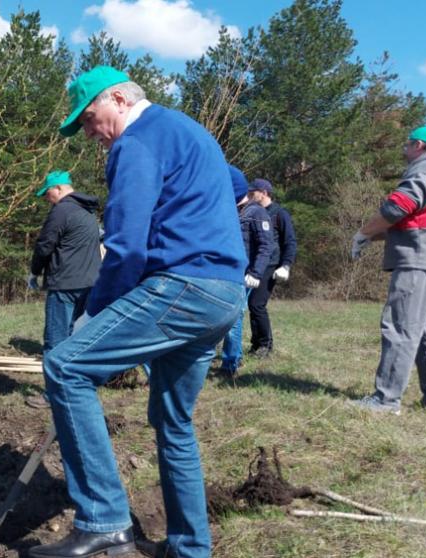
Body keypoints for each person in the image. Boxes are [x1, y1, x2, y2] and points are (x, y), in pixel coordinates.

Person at [29, 66, 246, 558]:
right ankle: (190, 548)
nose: (89, 134)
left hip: (184, 286)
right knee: (173, 422)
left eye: (89, 119)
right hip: (223, 294)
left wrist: (93, 314)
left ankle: (103, 520)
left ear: (121, 99)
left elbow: (126, 248)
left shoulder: (137, 141)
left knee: (65, 367)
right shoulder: (188, 130)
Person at [350, 125, 426, 415]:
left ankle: (386, 400)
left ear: (418, 145)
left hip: (422, 259)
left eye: (406, 144)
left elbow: (397, 207)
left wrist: (363, 233)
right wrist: (375, 236)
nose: (403, 149)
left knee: (401, 326)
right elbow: (419, 219)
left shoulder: (424, 168)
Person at [29, 170, 102, 354]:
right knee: (77, 335)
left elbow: (45, 245)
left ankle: (54, 378)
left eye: (47, 192)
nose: (47, 197)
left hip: (64, 284)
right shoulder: (87, 211)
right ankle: (72, 375)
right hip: (89, 282)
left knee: (56, 337)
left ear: (59, 188)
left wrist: (34, 271)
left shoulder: (61, 210)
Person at [220, 170, 273, 377]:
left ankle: (230, 363)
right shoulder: (230, 211)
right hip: (227, 272)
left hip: (246, 274)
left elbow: (266, 246)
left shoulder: (257, 213)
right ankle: (232, 358)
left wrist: (256, 273)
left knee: (235, 318)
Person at [246, 178, 298, 358]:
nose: (250, 195)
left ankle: (266, 345)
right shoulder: (251, 212)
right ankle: (255, 344)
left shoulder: (279, 214)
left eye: (253, 192)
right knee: (251, 305)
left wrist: (286, 265)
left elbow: (290, 241)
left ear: (264, 193)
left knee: (257, 304)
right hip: (253, 265)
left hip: (270, 265)